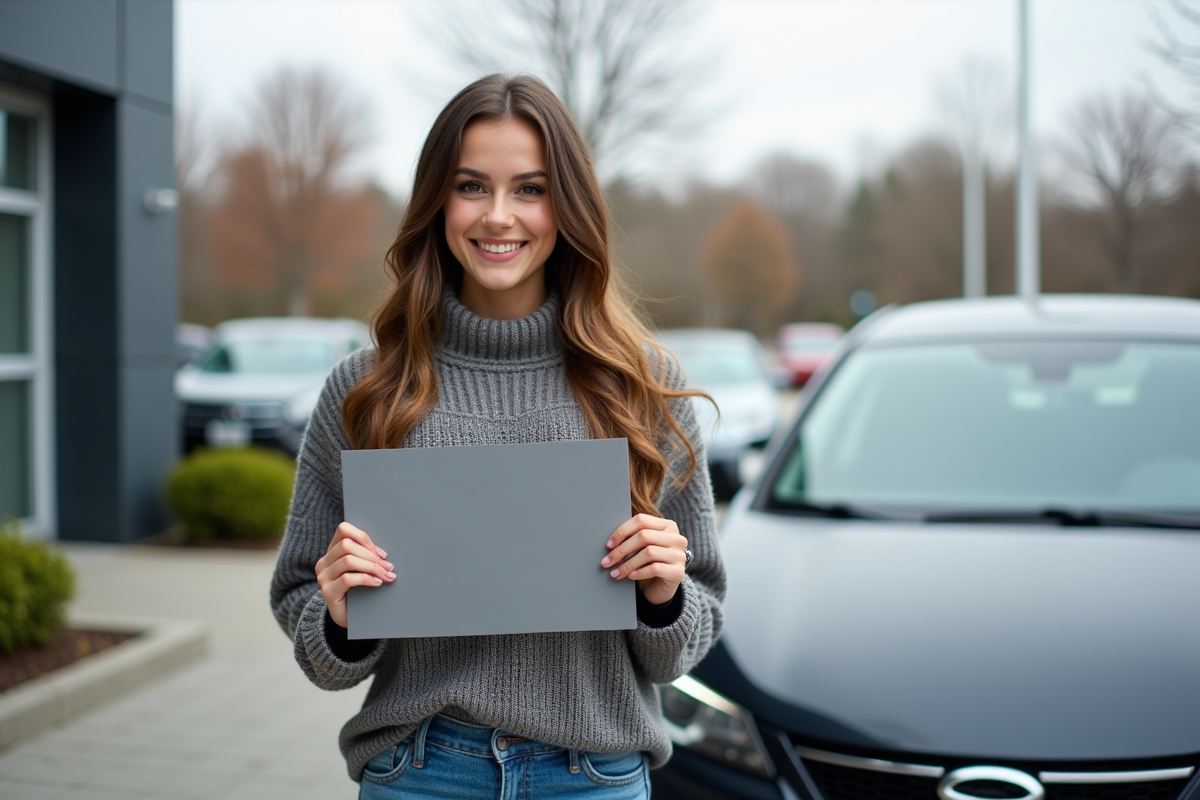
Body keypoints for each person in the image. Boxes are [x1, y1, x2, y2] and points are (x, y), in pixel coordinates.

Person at [269, 74, 725, 800]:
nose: (499, 216)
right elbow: (313, 636)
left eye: (531, 189)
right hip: (418, 770)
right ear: (436, 202)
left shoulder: (642, 384)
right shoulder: (366, 391)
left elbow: (687, 643)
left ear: (568, 205)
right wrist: (338, 615)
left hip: (595, 776)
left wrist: (666, 593)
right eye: (472, 186)